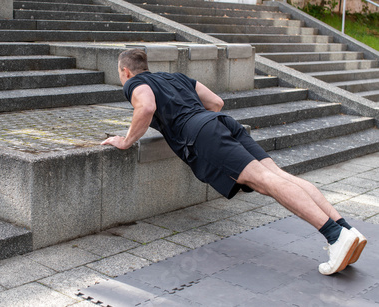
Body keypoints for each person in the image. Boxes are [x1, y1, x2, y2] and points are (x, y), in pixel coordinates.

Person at [101, 48, 367, 275]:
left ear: (125, 71)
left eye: (121, 74)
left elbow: (145, 107)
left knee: (266, 182)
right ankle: (346, 231)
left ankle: (334, 235)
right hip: (222, 122)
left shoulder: (133, 84)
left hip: (203, 133)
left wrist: (126, 140)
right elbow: (216, 102)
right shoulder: (175, 77)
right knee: (279, 176)